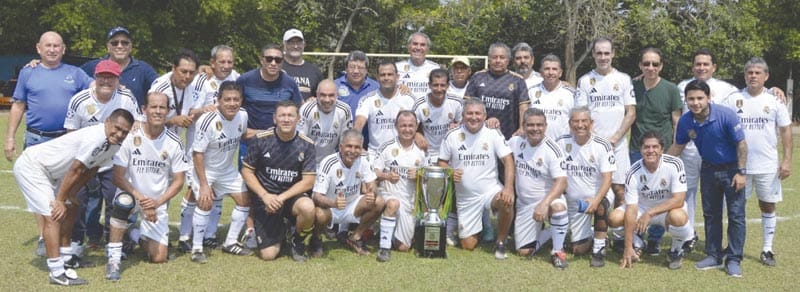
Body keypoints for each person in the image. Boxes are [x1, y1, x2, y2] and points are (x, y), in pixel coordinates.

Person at [13, 109, 133, 286]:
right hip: (33, 167)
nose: (120, 134)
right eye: (117, 128)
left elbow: (92, 169)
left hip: (52, 173)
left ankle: (67, 257)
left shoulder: (114, 144)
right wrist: (60, 200)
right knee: (54, 215)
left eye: (125, 132)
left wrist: (71, 194)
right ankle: (56, 272)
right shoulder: (96, 136)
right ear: (107, 121)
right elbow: (76, 168)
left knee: (72, 207)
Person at [5, 31, 93, 257]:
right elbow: (18, 105)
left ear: (63, 49)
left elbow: (98, 90)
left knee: (65, 191)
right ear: (38, 48)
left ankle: (66, 236)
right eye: (48, 46)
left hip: (66, 140)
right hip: (36, 140)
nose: (52, 49)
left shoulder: (76, 74)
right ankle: (45, 236)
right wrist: (9, 138)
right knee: (39, 193)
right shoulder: (28, 72)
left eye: (57, 46)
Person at [667, 80, 747, 277]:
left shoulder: (725, 115)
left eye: (700, 98)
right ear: (686, 100)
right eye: (691, 99)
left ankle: (734, 259)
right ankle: (713, 255)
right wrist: (660, 165)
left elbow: (742, 145)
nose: (696, 103)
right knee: (711, 215)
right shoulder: (686, 121)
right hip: (708, 170)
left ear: (708, 97)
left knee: (736, 215)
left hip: (732, 170)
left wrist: (741, 172)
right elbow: (678, 147)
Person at [106, 92, 188, 280]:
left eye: (162, 108)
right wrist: (142, 200)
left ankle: (133, 233)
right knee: (123, 203)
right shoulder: (130, 135)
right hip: (131, 195)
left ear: (168, 111)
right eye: (153, 107)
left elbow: (178, 181)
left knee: (159, 257)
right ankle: (113, 261)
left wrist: (157, 203)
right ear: (144, 110)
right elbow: (118, 177)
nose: (158, 111)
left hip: (156, 203)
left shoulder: (174, 142)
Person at [63, 60, 142, 255]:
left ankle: (112, 243)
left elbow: (136, 126)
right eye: (102, 76)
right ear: (95, 77)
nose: (106, 80)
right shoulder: (80, 100)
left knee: (115, 202)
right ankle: (76, 242)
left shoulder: (126, 98)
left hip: (113, 161)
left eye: (111, 77)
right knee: (77, 201)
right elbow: (70, 133)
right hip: (84, 161)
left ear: (118, 79)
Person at [720, 58, 792, 267]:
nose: (753, 76)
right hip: (738, 166)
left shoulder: (775, 100)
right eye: (749, 72)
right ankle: (733, 247)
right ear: (745, 76)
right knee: (735, 208)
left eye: (757, 72)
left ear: (766, 76)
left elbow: (786, 130)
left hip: (767, 165)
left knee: (767, 205)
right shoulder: (733, 99)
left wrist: (787, 160)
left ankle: (767, 249)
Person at [178, 44, 240, 251]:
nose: (226, 65)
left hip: (222, 147)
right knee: (194, 191)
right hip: (200, 145)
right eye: (221, 61)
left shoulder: (236, 79)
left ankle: (210, 234)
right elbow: (189, 112)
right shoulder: (201, 80)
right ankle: (185, 235)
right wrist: (204, 110)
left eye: (229, 61)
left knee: (218, 192)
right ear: (212, 63)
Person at [575, 37, 635, 251]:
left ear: (613, 54)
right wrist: (596, 142)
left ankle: (619, 237)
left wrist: (616, 138)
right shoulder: (584, 81)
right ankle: (590, 234)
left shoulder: (624, 79)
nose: (603, 57)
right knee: (592, 190)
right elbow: (580, 115)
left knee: (620, 190)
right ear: (593, 55)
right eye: (598, 53)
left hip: (617, 146)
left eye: (606, 53)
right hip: (592, 148)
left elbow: (631, 112)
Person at [437, 99, 515, 259]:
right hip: (466, 198)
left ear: (484, 116)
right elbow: (441, 163)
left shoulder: (493, 133)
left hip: (490, 191)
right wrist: (450, 171)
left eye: (478, 113)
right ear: (463, 116)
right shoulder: (452, 135)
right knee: (468, 245)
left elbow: (508, 160)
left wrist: (508, 188)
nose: (474, 117)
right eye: (469, 113)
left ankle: (500, 242)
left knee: (506, 201)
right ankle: (480, 226)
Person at [241, 100, 317, 262]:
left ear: (298, 119)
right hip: (266, 200)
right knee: (269, 255)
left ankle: (298, 240)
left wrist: (281, 198)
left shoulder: (307, 144)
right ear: (274, 118)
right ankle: (282, 230)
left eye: (290, 115)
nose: (286, 119)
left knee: (308, 207)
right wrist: (265, 196)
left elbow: (308, 181)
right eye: (282, 115)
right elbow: (246, 171)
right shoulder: (261, 140)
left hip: (291, 198)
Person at [625, 48, 682, 255]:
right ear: (640, 65)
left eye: (655, 64)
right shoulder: (632, 86)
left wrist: (674, 151)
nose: (651, 68)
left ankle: (655, 240)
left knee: (661, 195)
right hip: (636, 151)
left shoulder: (671, 89)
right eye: (646, 63)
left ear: (661, 66)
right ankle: (637, 237)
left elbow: (677, 121)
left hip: (663, 153)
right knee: (638, 196)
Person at [188, 81, 253, 263]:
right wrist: (204, 184)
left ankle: (231, 242)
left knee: (245, 199)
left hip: (226, 170)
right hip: (204, 170)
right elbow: (197, 153)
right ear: (218, 100)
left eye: (236, 99)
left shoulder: (242, 115)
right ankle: (197, 248)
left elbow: (243, 134)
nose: (232, 103)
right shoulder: (207, 120)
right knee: (205, 201)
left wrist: (269, 132)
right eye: (228, 99)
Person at [613, 131, 692, 270]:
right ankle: (636, 244)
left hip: (666, 210)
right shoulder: (633, 172)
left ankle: (676, 251)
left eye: (655, 147)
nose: (651, 151)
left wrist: (650, 213)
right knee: (615, 218)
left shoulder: (675, 164)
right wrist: (627, 247)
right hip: (641, 209)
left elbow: (679, 199)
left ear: (662, 149)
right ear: (641, 149)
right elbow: (631, 208)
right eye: (646, 147)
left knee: (678, 216)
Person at [555, 106, 615, 268]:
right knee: (578, 250)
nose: (580, 125)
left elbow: (608, 179)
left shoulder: (602, 145)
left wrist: (595, 201)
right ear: (569, 123)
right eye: (576, 121)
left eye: (584, 121)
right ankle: (590, 234)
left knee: (601, 207)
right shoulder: (561, 142)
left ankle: (599, 249)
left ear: (591, 123)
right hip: (574, 202)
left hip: (597, 196)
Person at [509, 108, 569, 269]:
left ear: (545, 126)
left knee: (558, 207)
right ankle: (555, 231)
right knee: (523, 252)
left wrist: (543, 204)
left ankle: (558, 251)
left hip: (547, 201)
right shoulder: (516, 142)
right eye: (530, 125)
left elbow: (562, 182)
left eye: (539, 125)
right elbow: (503, 156)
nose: (535, 129)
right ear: (523, 125)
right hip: (524, 205)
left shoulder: (553, 149)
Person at [312, 129, 384, 256]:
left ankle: (355, 237)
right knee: (319, 214)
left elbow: (372, 184)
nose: (353, 151)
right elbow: (316, 196)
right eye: (349, 146)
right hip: (330, 208)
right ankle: (316, 239)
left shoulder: (363, 161)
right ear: (341, 147)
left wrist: (373, 192)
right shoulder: (328, 163)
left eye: (357, 147)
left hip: (352, 206)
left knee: (379, 202)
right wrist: (333, 203)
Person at [372, 111, 426, 262]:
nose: (407, 129)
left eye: (411, 126)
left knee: (403, 248)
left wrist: (420, 176)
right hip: (389, 194)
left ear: (416, 127)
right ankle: (384, 248)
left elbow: (427, 180)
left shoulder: (421, 151)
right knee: (393, 203)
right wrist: (386, 176)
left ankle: (389, 230)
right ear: (396, 126)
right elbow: (374, 172)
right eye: (403, 125)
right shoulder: (387, 147)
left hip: (410, 201)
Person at [237, 44, 302, 166]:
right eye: (269, 59)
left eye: (278, 60)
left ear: (282, 62)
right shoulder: (245, 80)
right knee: (245, 181)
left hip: (279, 144)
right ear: (261, 60)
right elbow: (234, 108)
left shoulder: (289, 83)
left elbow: (297, 110)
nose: (273, 63)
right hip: (249, 142)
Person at [464, 42, 529, 139]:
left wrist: (522, 128)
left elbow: (523, 107)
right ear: (489, 59)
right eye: (494, 57)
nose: (498, 60)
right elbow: (467, 103)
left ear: (508, 60)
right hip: (479, 134)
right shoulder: (478, 77)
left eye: (502, 57)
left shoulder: (518, 80)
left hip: (509, 135)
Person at [354, 62, 417, 160]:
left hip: (403, 155)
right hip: (375, 155)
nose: (386, 78)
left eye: (390, 74)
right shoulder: (368, 99)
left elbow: (420, 128)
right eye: (383, 75)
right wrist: (357, 146)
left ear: (397, 76)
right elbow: (358, 125)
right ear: (377, 77)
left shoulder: (409, 99)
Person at [81, 26, 158, 105]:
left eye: (125, 43)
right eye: (115, 43)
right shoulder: (92, 67)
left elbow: (160, 90)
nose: (120, 46)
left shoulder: (143, 69)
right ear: (108, 46)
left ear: (131, 46)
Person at [413, 68, 462, 163]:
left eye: (442, 85)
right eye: (435, 85)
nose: (439, 89)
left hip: (450, 152)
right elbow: (410, 127)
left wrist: (458, 126)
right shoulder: (420, 105)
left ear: (448, 86)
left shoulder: (456, 102)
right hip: (427, 153)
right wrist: (416, 134)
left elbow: (464, 124)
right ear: (429, 85)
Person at [149, 49, 202, 138]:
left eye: (191, 73)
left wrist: (203, 110)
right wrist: (173, 121)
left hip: (173, 141)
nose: (188, 76)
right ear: (173, 69)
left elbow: (187, 109)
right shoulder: (159, 91)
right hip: (154, 140)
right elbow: (149, 124)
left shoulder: (189, 85)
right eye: (184, 72)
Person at [298, 79, 352, 164]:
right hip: (308, 161)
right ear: (317, 95)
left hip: (332, 161)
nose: (327, 100)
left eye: (331, 95)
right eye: (323, 95)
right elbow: (300, 140)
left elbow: (346, 141)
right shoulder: (306, 109)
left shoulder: (344, 110)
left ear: (337, 95)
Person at [527, 54, 575, 140]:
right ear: (541, 73)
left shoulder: (571, 94)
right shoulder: (531, 92)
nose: (550, 72)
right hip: (536, 145)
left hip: (562, 146)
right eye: (547, 69)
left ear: (560, 73)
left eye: (554, 69)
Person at [282, 29, 324, 101]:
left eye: (299, 42)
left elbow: (324, 96)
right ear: (284, 45)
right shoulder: (277, 68)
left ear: (304, 45)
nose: (295, 46)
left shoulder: (314, 70)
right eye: (291, 43)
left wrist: (316, 100)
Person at [396, 32, 440, 98]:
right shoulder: (397, 67)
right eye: (415, 44)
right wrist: (397, 87)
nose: (418, 48)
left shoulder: (435, 68)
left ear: (427, 49)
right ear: (408, 47)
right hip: (404, 108)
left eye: (422, 45)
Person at [336, 50, 379, 116]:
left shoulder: (377, 88)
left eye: (360, 68)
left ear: (366, 70)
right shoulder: (334, 86)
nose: (356, 71)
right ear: (346, 68)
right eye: (352, 67)